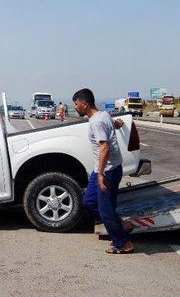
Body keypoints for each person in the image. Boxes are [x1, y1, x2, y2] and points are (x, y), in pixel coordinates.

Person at [73, 88, 133, 254]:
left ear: (84, 104)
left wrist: (100, 174)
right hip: (103, 169)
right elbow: (110, 124)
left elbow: (104, 148)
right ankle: (121, 224)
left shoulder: (96, 122)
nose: (75, 107)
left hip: (108, 171)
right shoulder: (103, 115)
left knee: (106, 211)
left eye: (76, 104)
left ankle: (122, 243)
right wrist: (118, 124)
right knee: (89, 202)